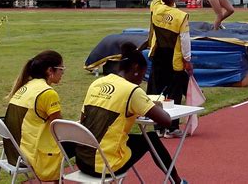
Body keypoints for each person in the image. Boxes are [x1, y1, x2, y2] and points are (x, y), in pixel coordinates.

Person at [76, 42, 187, 184]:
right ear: (136, 68)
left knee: (131, 138)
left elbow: (84, 120)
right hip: (104, 166)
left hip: (82, 161)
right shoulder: (132, 90)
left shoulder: (97, 83)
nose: (141, 80)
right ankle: (177, 181)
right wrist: (149, 104)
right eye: (142, 74)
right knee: (151, 138)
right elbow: (166, 121)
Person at [3, 50, 70, 182]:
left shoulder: (25, 86)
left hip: (13, 152)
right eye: (61, 69)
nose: (63, 73)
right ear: (50, 71)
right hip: (30, 154)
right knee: (81, 143)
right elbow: (59, 127)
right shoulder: (48, 93)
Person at [145, 0, 193, 138]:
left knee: (157, 92)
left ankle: (158, 128)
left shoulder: (155, 7)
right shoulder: (181, 16)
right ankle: (172, 128)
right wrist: (188, 60)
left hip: (158, 55)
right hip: (175, 59)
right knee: (173, 93)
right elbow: (185, 39)